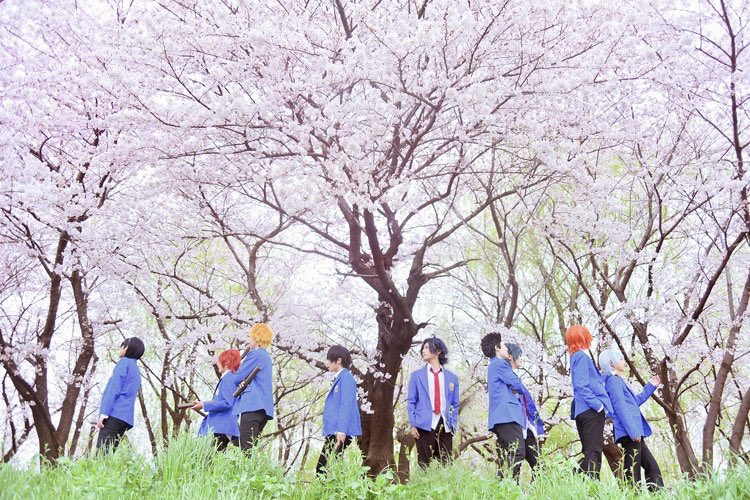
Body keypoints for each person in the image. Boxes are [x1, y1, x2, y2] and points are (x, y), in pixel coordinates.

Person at [599, 348, 663, 490]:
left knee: (651, 466)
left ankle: (658, 494)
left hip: (634, 431)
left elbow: (634, 402)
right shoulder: (613, 381)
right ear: (612, 362)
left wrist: (650, 386)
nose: (624, 361)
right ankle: (633, 496)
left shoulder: (618, 380)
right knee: (633, 470)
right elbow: (620, 407)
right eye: (621, 359)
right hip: (630, 432)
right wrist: (633, 432)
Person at [566, 325, 613, 478]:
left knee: (589, 451)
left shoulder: (576, 357)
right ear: (582, 337)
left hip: (583, 410)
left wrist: (609, 374)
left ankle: (577, 481)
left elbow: (593, 380)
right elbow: (581, 385)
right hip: (590, 410)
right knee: (594, 451)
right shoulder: (581, 357)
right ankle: (589, 483)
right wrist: (598, 406)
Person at [406, 337, 460, 467]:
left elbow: (455, 404)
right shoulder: (417, 376)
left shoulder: (452, 378)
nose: (423, 351)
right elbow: (411, 401)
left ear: (438, 351)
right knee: (424, 465)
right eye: (423, 348)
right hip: (424, 424)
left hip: (445, 424)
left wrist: (453, 423)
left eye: (427, 347)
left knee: (446, 464)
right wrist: (413, 424)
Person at [481, 333, 526, 478]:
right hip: (507, 415)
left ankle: (505, 486)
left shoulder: (493, 366)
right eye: (503, 345)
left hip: (500, 417)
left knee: (508, 454)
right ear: (497, 347)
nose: (506, 348)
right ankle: (507, 485)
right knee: (518, 452)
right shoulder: (500, 364)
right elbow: (518, 385)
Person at [315, 345, 362, 475]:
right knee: (332, 465)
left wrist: (341, 429)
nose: (327, 363)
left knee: (322, 467)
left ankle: (325, 488)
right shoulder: (341, 378)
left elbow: (346, 404)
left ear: (339, 360)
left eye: (329, 360)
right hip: (336, 430)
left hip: (340, 430)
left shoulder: (346, 378)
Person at [96, 337, 144, 452]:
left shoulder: (124, 362)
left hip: (114, 414)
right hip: (125, 418)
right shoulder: (136, 370)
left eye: (122, 346)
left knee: (101, 453)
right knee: (111, 454)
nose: (120, 348)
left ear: (126, 347)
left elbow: (113, 389)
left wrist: (104, 413)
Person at [232, 323, 274, 453]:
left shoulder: (255, 354)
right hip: (264, 408)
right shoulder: (266, 357)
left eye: (250, 338)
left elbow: (237, 378)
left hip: (252, 405)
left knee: (246, 448)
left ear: (256, 338)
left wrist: (241, 378)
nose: (249, 341)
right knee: (250, 446)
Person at [505, 343, 545, 471]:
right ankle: (508, 484)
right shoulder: (505, 377)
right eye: (519, 355)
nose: (521, 358)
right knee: (516, 458)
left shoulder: (515, 378)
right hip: (515, 424)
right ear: (510, 356)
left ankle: (538, 487)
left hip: (527, 426)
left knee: (539, 464)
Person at [192, 349, 241, 451]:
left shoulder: (229, 378)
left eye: (219, 361)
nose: (217, 364)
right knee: (215, 455)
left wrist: (203, 405)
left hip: (221, 426)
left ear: (226, 362)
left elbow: (227, 403)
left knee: (213, 455)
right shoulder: (227, 378)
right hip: (220, 426)